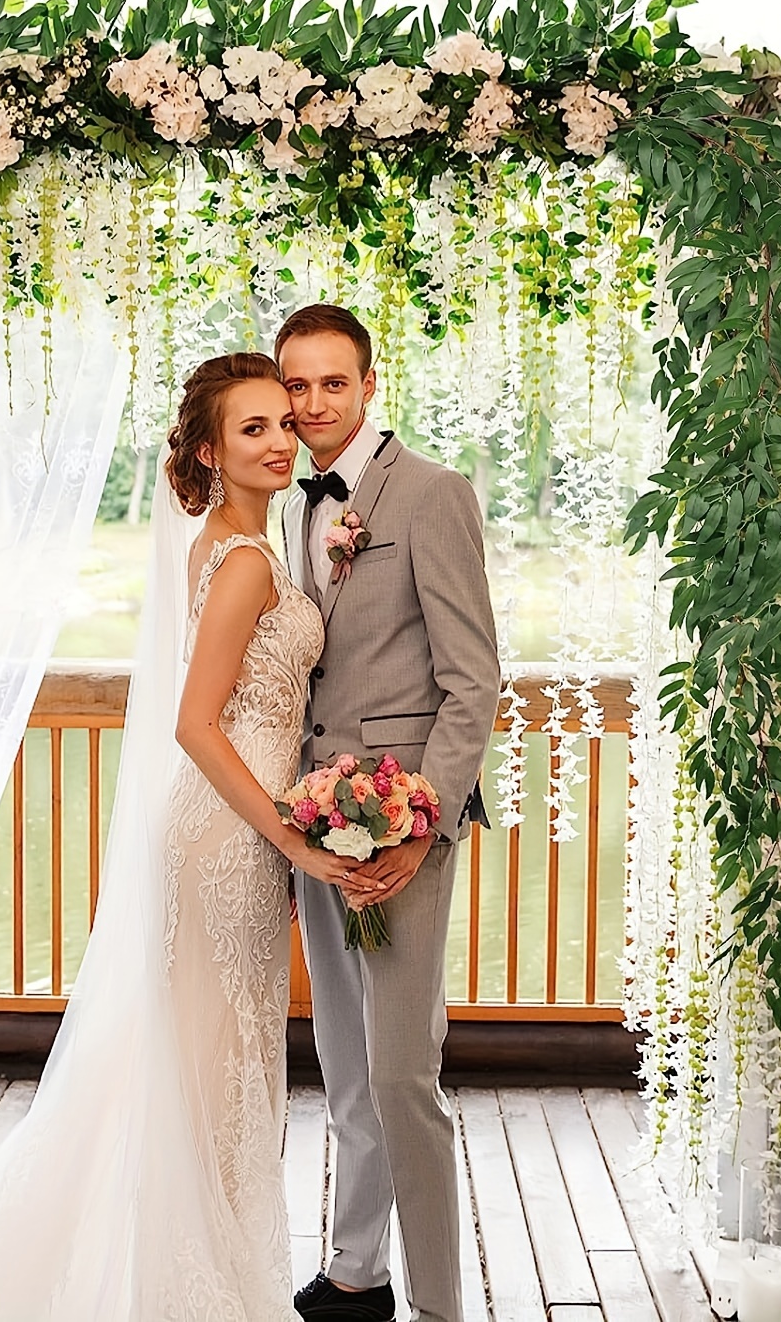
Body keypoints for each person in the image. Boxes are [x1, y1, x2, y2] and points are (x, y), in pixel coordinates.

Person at [0, 352, 363, 1322]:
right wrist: (289, 836)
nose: (278, 442)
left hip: (240, 827)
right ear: (210, 450)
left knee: (223, 1061)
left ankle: (212, 1270)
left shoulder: (240, 542)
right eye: (251, 429)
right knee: (217, 1067)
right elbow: (194, 722)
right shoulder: (246, 562)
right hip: (229, 832)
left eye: (282, 425)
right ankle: (197, 1289)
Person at [277, 305, 500, 1322]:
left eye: (333, 382)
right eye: (297, 384)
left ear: (369, 384)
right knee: (347, 1065)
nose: (313, 402)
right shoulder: (288, 503)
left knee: (406, 1074)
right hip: (314, 825)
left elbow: (473, 682)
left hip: (401, 820)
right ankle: (356, 1270)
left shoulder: (431, 493)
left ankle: (443, 1308)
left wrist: (424, 827)